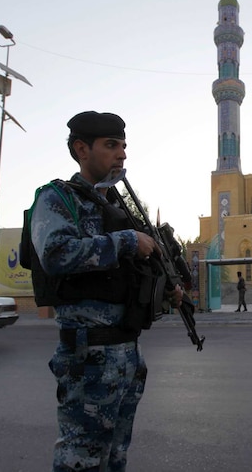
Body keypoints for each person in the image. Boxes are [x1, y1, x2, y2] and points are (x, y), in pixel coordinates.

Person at [30, 110, 182, 471]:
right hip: (89, 357)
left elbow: (128, 277)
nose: (122, 154)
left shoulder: (115, 207)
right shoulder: (57, 199)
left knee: (114, 456)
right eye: (112, 145)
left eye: (124, 146)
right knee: (81, 459)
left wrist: (167, 292)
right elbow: (56, 254)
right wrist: (128, 240)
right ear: (82, 149)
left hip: (126, 355)